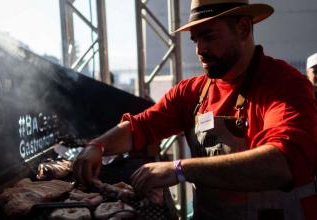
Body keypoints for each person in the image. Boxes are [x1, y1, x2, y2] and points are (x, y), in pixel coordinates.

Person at [73, 0, 317, 219]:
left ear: (243, 28)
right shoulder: (193, 92)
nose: (200, 49)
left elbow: (282, 163)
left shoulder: (285, 85)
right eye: (195, 40)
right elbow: (141, 127)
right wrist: (97, 146)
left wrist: (180, 169)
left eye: (208, 36)